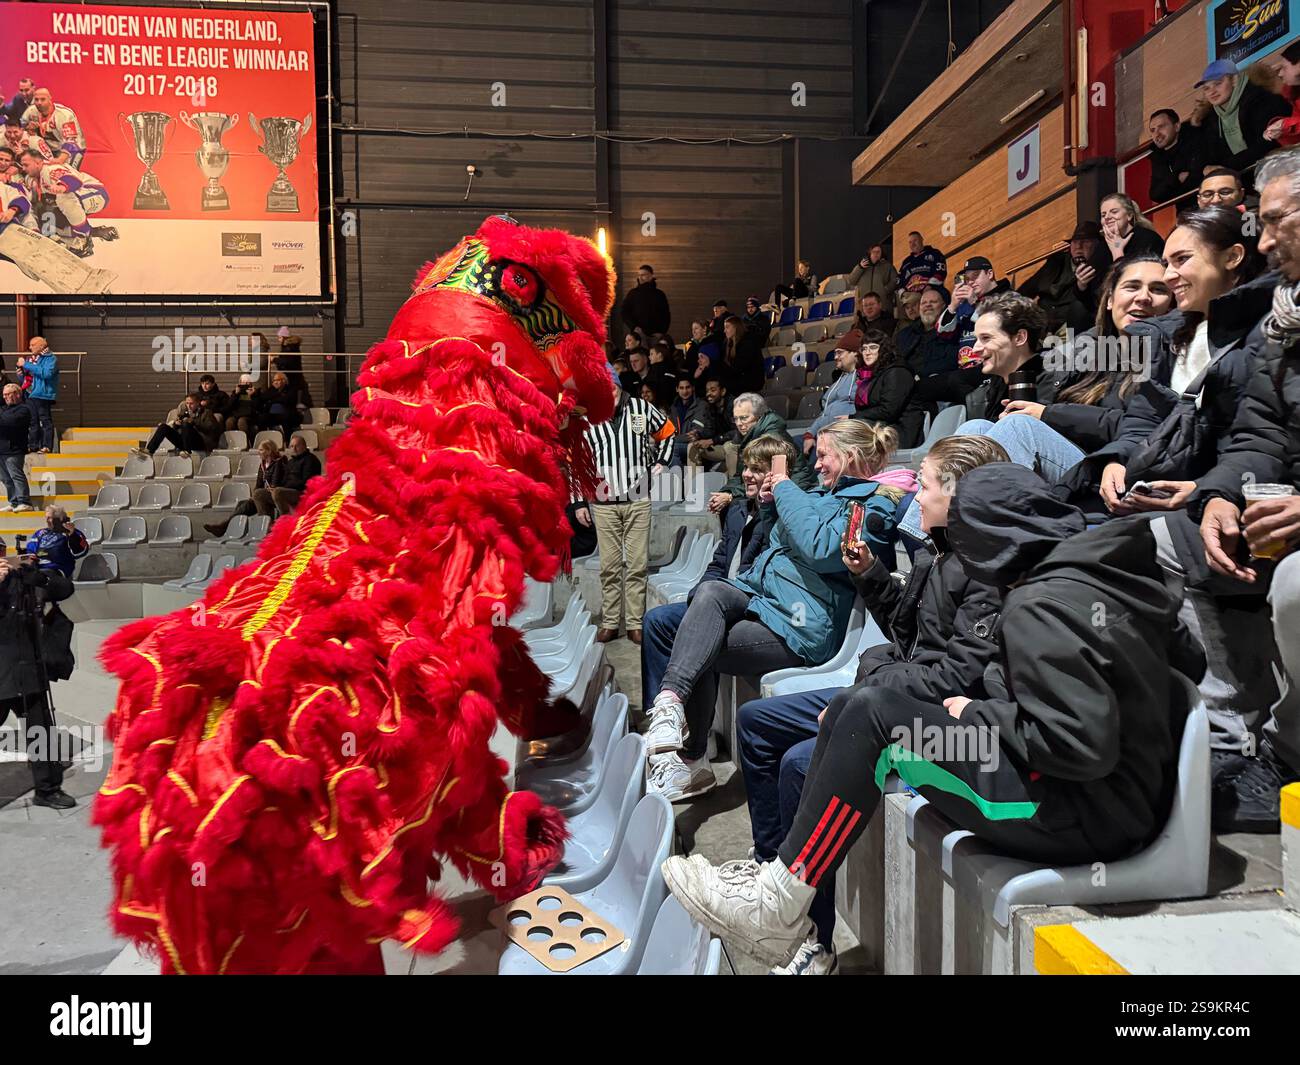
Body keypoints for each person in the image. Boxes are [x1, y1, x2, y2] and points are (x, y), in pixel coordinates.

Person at [660, 463, 1205, 968]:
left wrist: (981, 715)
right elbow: (1187, 660)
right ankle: (781, 894)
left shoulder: (1042, 604)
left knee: (871, 719)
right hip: (1109, 798)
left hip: (1077, 812)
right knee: (863, 708)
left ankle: (779, 904)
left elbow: (1079, 746)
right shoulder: (1096, 572)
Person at [732, 434, 1008, 973]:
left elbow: (954, 677)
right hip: (890, 691)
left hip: (934, 723)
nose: (914, 496)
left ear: (957, 495)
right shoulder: (938, 555)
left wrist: (864, 690)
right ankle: (771, 870)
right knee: (756, 722)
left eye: (924, 486)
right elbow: (906, 635)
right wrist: (871, 576)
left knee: (796, 765)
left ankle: (813, 939)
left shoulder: (986, 574)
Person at [644, 419, 905, 800]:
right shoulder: (820, 494)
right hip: (765, 601)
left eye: (824, 456)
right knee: (704, 598)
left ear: (849, 457)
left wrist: (784, 488)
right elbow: (782, 545)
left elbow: (820, 547)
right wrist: (769, 507)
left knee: (697, 643)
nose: (816, 465)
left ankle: (691, 758)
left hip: (799, 624)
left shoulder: (875, 505)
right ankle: (670, 710)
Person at [1189, 147, 1300, 829]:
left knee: (1296, 582)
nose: (1262, 242)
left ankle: (1290, 754)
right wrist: (1221, 497)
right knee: (1165, 543)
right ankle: (1226, 732)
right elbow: (1259, 434)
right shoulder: (1282, 319)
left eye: (1277, 222)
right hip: (1281, 507)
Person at [639, 434, 787, 800]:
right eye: (748, 469)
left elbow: (764, 575)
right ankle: (666, 725)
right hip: (717, 599)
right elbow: (718, 565)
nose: (749, 476)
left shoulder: (781, 514)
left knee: (702, 638)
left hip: (754, 609)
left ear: (775, 475)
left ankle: (693, 754)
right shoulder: (736, 510)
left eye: (759, 470)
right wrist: (697, 601)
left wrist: (772, 502)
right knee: (658, 622)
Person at [1001, 254, 1175, 461]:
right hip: (1067, 455)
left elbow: (1143, 426)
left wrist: (1047, 415)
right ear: (1110, 300)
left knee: (1017, 428)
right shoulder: (1087, 349)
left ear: (1171, 305)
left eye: (1158, 289)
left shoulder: (1171, 357)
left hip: (1113, 465)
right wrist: (1026, 411)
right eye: (1132, 287)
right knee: (977, 427)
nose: (1143, 297)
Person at [577, 369, 674, 644]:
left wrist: (661, 462)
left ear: (618, 385)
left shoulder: (642, 408)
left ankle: (634, 623)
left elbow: (667, 432)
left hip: (638, 498)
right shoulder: (588, 418)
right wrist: (580, 502)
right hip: (603, 502)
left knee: (637, 564)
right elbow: (579, 462)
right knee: (609, 566)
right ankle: (610, 621)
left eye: (612, 385)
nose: (609, 391)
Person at [0, 544, 78, 810]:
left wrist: (40, 577)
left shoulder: (22, 576)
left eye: (0, 552)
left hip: (29, 668)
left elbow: (65, 589)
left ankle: (47, 790)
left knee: (40, 730)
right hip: (0, 674)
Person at [709, 392, 814, 509]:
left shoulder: (772, 439)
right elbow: (740, 476)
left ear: (759, 416)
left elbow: (765, 480)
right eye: (736, 419)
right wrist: (727, 492)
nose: (739, 424)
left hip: (794, 495)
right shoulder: (748, 437)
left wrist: (730, 495)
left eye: (744, 418)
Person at [1193, 59, 1289, 176]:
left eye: (1218, 83)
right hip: (1246, 177)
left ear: (1234, 80)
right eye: (1206, 88)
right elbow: (1210, 157)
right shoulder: (1211, 118)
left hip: (1281, 170)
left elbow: (1268, 144)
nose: (1212, 92)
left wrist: (1225, 167)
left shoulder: (1262, 100)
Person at [1019, 220, 1111, 333]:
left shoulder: (1101, 266)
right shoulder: (1056, 262)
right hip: (1041, 324)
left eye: (1085, 241)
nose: (1079, 246)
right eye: (1075, 241)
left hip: (1071, 327)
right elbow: (1027, 289)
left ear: (1097, 245)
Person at [936, 255, 1011, 370]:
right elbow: (943, 334)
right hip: (964, 368)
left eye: (975, 276)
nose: (971, 282)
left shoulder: (1008, 296)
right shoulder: (964, 304)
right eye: (967, 279)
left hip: (993, 364)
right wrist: (953, 306)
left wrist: (974, 303)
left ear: (989, 274)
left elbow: (999, 326)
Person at [203, 440, 288, 536]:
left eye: (261, 450)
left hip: (274, 495)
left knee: (255, 497)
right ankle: (228, 529)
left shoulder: (279, 462)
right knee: (242, 504)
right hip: (262, 494)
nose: (258, 452)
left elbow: (275, 484)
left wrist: (259, 492)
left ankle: (224, 527)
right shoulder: (263, 464)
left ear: (268, 451)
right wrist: (254, 495)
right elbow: (258, 484)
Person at [800, 329, 863, 455]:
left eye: (839, 353)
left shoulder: (863, 379)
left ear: (855, 353)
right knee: (791, 446)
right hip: (825, 435)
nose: (835, 357)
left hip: (845, 438)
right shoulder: (837, 381)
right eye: (835, 353)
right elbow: (824, 413)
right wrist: (810, 434)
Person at [853, 330, 917, 438]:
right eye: (864, 348)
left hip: (897, 430)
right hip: (878, 426)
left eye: (873, 347)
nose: (867, 352)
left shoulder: (897, 372)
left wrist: (853, 417)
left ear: (883, 349)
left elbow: (889, 411)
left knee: (844, 433)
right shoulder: (871, 375)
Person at [1148, 107, 1205, 204]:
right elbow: (1155, 194)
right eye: (1153, 130)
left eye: (1161, 127)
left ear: (1177, 126)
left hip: (1208, 202)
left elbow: (1200, 175)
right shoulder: (1158, 157)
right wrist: (1177, 178)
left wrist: (1173, 185)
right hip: (1184, 212)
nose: (1157, 134)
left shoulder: (1195, 140)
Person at [141, 392, 222, 457]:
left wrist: (194, 423)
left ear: (197, 403)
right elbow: (178, 430)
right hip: (184, 441)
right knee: (163, 427)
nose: (189, 406)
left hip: (200, 442)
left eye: (191, 403)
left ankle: (187, 451)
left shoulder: (206, 413)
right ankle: (149, 450)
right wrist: (176, 425)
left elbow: (212, 429)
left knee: (186, 424)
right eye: (187, 403)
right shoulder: (184, 413)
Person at [17, 336, 57, 453]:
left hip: (42, 394)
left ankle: (47, 446)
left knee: (45, 420)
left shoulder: (50, 358)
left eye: (32, 345)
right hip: (29, 393)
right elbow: (29, 377)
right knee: (32, 421)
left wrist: (26, 365)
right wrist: (21, 374)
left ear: (41, 346)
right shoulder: (32, 359)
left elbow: (46, 373)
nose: (29, 347)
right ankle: (33, 445)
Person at [25, 504, 88, 578]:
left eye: (49, 518)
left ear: (59, 519)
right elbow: (30, 551)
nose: (46, 521)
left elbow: (80, 552)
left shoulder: (73, 533)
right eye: (46, 518)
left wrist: (72, 534)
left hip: (57, 569)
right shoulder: (40, 533)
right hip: (37, 568)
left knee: (38, 578)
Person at [686, 376, 735, 469]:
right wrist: (698, 435)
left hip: (736, 447)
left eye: (713, 390)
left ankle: (734, 482)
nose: (708, 394)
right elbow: (710, 430)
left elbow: (737, 432)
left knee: (729, 446)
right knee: (693, 446)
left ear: (723, 391)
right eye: (707, 390)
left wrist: (713, 440)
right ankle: (694, 483)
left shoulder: (734, 405)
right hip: (721, 446)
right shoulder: (710, 406)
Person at [1100, 192, 1166, 259]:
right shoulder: (1103, 244)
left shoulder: (1148, 239)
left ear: (1129, 215)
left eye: (1114, 212)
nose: (1107, 217)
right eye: (1103, 215)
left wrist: (1117, 250)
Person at [0, 382, 32, 513]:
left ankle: (24, 501)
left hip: (14, 449)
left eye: (9, 394)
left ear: (18, 394)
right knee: (5, 478)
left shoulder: (23, 409)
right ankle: (13, 502)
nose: (6, 397)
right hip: (1, 449)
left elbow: (10, 421)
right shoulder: (3, 409)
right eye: (4, 395)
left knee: (16, 475)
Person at [621, 263, 671, 340]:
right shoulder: (633, 293)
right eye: (639, 275)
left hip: (656, 336)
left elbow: (666, 315)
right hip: (639, 336)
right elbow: (624, 312)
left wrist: (661, 332)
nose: (640, 277)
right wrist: (634, 327)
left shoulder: (659, 294)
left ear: (651, 276)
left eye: (643, 275)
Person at [667, 375, 709, 468]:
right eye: (681, 388)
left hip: (696, 444)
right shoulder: (674, 407)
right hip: (678, 443)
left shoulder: (701, 405)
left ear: (693, 388)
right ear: (677, 389)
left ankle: (678, 480)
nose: (685, 391)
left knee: (672, 448)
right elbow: (670, 431)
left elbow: (695, 434)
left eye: (688, 387)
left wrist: (672, 440)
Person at [1265, 40, 1300, 148]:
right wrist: (1281, 132)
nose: (1280, 73)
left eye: (1284, 68)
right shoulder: (1295, 95)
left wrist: (1286, 125)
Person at [720, 315, 764, 396]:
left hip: (751, 383)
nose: (724, 331)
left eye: (727, 327)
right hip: (738, 380)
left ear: (735, 328)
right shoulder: (727, 343)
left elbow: (739, 367)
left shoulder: (748, 343)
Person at [848, 245, 898, 310]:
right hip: (864, 306)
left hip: (882, 305)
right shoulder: (862, 267)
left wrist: (885, 290)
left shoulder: (888, 266)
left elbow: (894, 281)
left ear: (881, 254)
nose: (876, 254)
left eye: (878, 252)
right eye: (874, 251)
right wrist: (860, 267)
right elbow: (851, 281)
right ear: (870, 253)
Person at [260, 371, 306, 438]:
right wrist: (278, 394)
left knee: (286, 418)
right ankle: (263, 438)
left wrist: (272, 399)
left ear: (283, 380)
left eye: (277, 380)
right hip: (273, 415)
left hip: (287, 414)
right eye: (274, 380)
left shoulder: (291, 389)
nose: (275, 382)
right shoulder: (272, 389)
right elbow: (264, 397)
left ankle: (288, 441)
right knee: (262, 418)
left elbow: (287, 400)